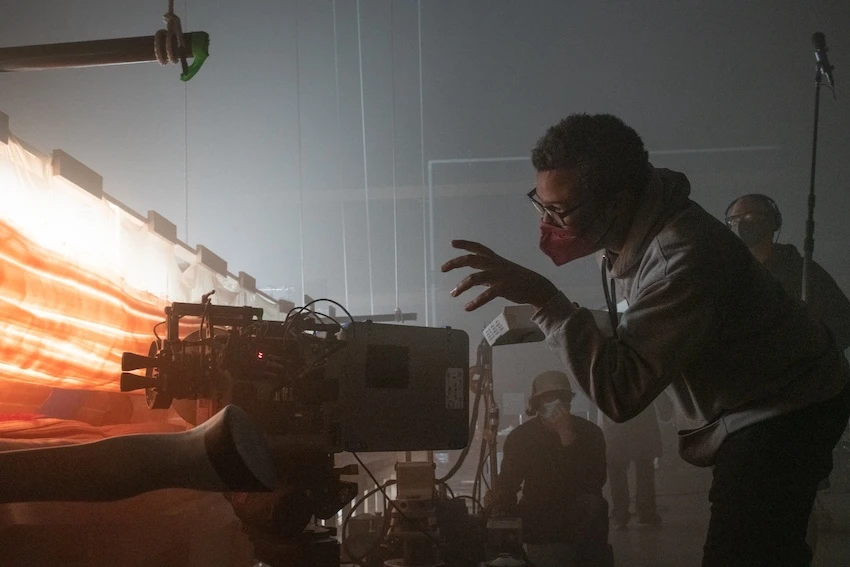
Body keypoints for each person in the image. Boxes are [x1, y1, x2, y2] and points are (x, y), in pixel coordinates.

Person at [442, 113, 850, 567]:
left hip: (786, 406)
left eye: (561, 211)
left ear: (616, 204)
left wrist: (547, 301)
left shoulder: (681, 254)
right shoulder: (634, 232)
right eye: (541, 204)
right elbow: (643, 322)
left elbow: (621, 393)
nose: (547, 222)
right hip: (757, 399)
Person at [488, 370, 611, 567]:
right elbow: (509, 481)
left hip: (577, 513)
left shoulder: (590, 433)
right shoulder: (522, 437)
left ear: (569, 401)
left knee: (595, 506)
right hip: (539, 513)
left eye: (562, 398)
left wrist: (567, 438)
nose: (557, 404)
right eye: (549, 398)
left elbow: (595, 481)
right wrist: (497, 499)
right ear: (537, 404)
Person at [725, 193, 850, 351]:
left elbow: (843, 323)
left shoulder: (803, 272)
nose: (741, 224)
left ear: (772, 221)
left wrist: (803, 347)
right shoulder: (728, 275)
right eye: (734, 219)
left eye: (749, 216)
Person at [600, 403, 662, 531]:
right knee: (645, 472)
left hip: (614, 424)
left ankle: (620, 517)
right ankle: (646, 513)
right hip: (642, 424)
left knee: (617, 475)